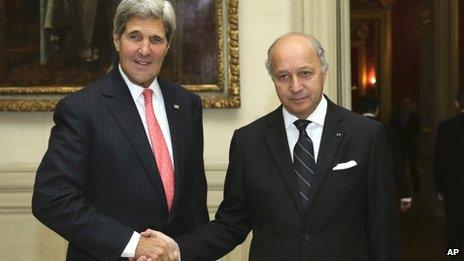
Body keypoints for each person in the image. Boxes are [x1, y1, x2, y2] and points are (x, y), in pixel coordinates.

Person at [142, 32, 399, 261]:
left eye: (305, 73)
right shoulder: (248, 142)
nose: (295, 86)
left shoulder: (367, 135)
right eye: (283, 76)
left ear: (324, 71)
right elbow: (231, 224)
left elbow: (382, 227)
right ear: (273, 79)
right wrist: (177, 249)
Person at [31, 0, 209, 260]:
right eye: (134, 37)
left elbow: (193, 202)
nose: (144, 50)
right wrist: (133, 244)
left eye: (156, 40)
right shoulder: (81, 108)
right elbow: (52, 200)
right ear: (117, 40)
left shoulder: (187, 104)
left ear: (167, 46)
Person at [358, 96, 412, 212]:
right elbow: (397, 162)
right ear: (377, 109)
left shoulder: (350, 128)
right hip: (382, 187)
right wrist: (405, 193)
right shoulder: (385, 129)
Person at [434, 88, 464, 260]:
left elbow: (439, 160)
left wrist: (439, 187)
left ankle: (453, 255)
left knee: (452, 227)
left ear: (456, 104)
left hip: (452, 186)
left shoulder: (445, 127)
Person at [390, 97, 421, 197]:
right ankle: (401, 191)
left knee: (414, 170)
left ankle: (417, 191)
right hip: (400, 147)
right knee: (400, 169)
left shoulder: (415, 117)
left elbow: (417, 131)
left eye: (407, 102)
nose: (405, 104)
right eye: (404, 102)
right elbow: (392, 132)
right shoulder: (395, 117)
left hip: (411, 147)